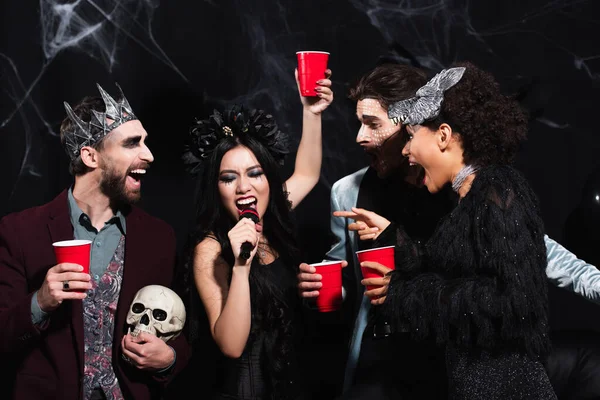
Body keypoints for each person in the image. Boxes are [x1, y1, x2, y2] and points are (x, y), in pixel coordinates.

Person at [297, 63, 600, 399]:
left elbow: (523, 268)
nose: (360, 137)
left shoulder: (476, 188)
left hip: (455, 365)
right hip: (391, 361)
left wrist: (404, 290)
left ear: (420, 130)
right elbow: (361, 281)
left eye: (373, 125)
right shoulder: (349, 191)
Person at [0, 84, 190, 399]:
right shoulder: (20, 231)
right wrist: (41, 302)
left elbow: (185, 331)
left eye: (145, 142)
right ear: (90, 156)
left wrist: (168, 359)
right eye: (132, 143)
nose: (149, 155)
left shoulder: (159, 237)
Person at [183, 70, 333, 399]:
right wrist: (240, 265)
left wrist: (311, 111)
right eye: (228, 178)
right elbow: (231, 345)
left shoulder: (273, 215)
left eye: (254, 173)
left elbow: (307, 173)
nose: (244, 187)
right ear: (216, 188)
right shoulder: (209, 249)